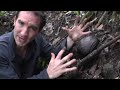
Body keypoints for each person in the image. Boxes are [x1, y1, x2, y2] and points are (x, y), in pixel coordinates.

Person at [0, 11, 96, 79]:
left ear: (39, 31)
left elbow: (54, 55)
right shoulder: (1, 50)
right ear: (14, 20)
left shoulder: (37, 39)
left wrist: (70, 39)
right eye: (21, 23)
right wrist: (47, 74)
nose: (24, 33)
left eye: (32, 28)